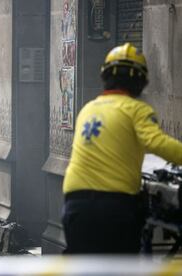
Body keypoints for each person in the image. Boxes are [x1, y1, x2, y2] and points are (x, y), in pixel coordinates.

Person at [62, 43, 182, 254]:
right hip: (114, 208)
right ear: (140, 82)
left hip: (75, 206)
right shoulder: (136, 109)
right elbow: (156, 142)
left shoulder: (87, 109)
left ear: (105, 77)